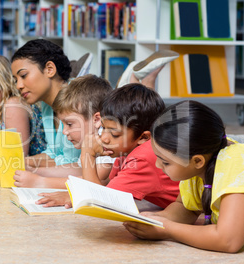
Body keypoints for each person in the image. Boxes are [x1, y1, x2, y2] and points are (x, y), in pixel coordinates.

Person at [123, 100, 244, 253]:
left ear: (197, 160)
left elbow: (228, 240)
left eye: (165, 162)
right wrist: (153, 218)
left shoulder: (235, 161)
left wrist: (167, 229)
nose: (158, 165)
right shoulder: (198, 165)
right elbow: (185, 209)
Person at [37, 83, 180, 209]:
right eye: (103, 128)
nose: (104, 138)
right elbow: (105, 188)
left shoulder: (144, 157)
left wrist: (87, 153)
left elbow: (101, 203)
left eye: (115, 134)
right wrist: (74, 195)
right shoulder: (123, 154)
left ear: (143, 137)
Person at [13, 74, 114, 188]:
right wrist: (35, 171)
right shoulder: (91, 140)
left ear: (96, 119)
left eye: (70, 124)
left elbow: (92, 182)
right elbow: (78, 169)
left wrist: (40, 182)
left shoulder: (106, 141)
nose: (64, 132)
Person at [10, 39, 81, 168]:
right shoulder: (47, 105)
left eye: (24, 75)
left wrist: (25, 166)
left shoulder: (78, 99)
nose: (18, 86)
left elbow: (72, 162)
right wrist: (12, 162)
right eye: (16, 80)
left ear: (49, 69)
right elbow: (52, 154)